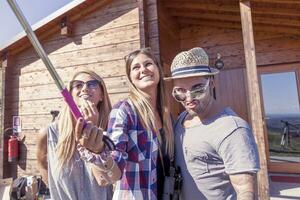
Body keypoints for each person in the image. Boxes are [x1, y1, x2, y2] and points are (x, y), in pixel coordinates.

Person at [165, 47, 260, 200]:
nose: (189, 99)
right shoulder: (182, 119)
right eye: (180, 91)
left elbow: (245, 191)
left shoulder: (232, 129)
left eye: (198, 89)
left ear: (212, 82)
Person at [99, 48, 174, 199]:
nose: (144, 70)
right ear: (130, 78)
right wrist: (98, 153)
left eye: (148, 64)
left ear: (158, 70)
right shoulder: (123, 111)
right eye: (136, 67)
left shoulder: (167, 117)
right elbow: (115, 162)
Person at [36, 69, 113, 200]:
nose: (84, 88)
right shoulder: (49, 134)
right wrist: (56, 190)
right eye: (78, 85)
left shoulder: (112, 133)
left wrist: (94, 137)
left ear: (102, 95)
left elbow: (108, 178)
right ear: (70, 95)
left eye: (92, 84)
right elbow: (42, 164)